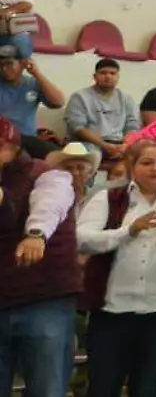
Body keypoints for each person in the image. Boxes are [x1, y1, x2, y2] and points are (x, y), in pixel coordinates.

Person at [77, 138, 156, 397]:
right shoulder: (109, 197)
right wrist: (128, 231)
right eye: (147, 162)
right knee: (103, 386)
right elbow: (82, 239)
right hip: (111, 310)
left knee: (146, 386)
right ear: (133, 166)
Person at [0, 115, 80, 397]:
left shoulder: (48, 173)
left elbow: (49, 203)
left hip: (43, 299)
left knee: (46, 389)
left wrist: (36, 234)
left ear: (12, 146)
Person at [65, 57, 140, 165]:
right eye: (103, 73)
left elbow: (133, 126)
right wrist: (105, 145)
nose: (108, 76)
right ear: (95, 77)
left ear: (118, 77)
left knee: (145, 153)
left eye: (112, 73)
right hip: (89, 143)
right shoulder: (80, 97)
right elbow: (78, 128)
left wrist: (125, 145)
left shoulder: (126, 98)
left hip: (120, 143)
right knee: (93, 154)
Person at [0, 44, 64, 158]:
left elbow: (58, 103)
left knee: (58, 157)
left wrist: (37, 74)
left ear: (22, 63)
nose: (4, 69)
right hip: (3, 139)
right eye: (0, 65)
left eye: (9, 64)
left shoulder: (33, 83)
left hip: (28, 140)